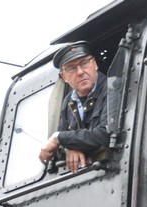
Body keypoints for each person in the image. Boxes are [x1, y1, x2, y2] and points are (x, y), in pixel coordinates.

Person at [38, 41, 109, 174]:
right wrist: (69, 148)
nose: (80, 72)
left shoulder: (112, 88)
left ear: (95, 64)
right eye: (72, 68)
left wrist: (60, 138)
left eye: (84, 63)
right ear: (64, 77)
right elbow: (57, 150)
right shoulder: (68, 101)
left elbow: (105, 134)